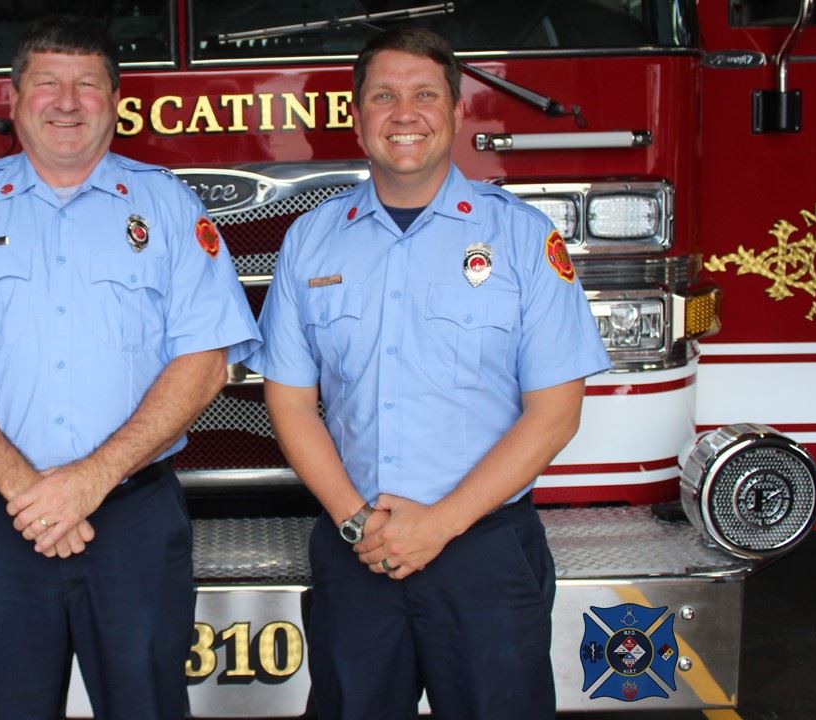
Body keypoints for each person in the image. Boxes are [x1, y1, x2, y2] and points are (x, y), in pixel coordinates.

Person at [0, 15, 259, 720]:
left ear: (115, 100)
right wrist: (31, 491)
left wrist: (89, 481)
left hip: (131, 521)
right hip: (1, 519)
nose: (67, 101)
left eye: (87, 85)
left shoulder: (168, 205)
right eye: (48, 83)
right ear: (13, 97)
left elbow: (207, 361)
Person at [246, 27, 611, 719]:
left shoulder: (524, 238)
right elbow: (290, 403)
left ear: (455, 112)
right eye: (384, 96)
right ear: (357, 117)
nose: (404, 113)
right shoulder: (312, 239)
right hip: (358, 554)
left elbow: (555, 413)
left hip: (484, 556)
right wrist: (359, 525)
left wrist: (439, 524)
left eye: (424, 95)